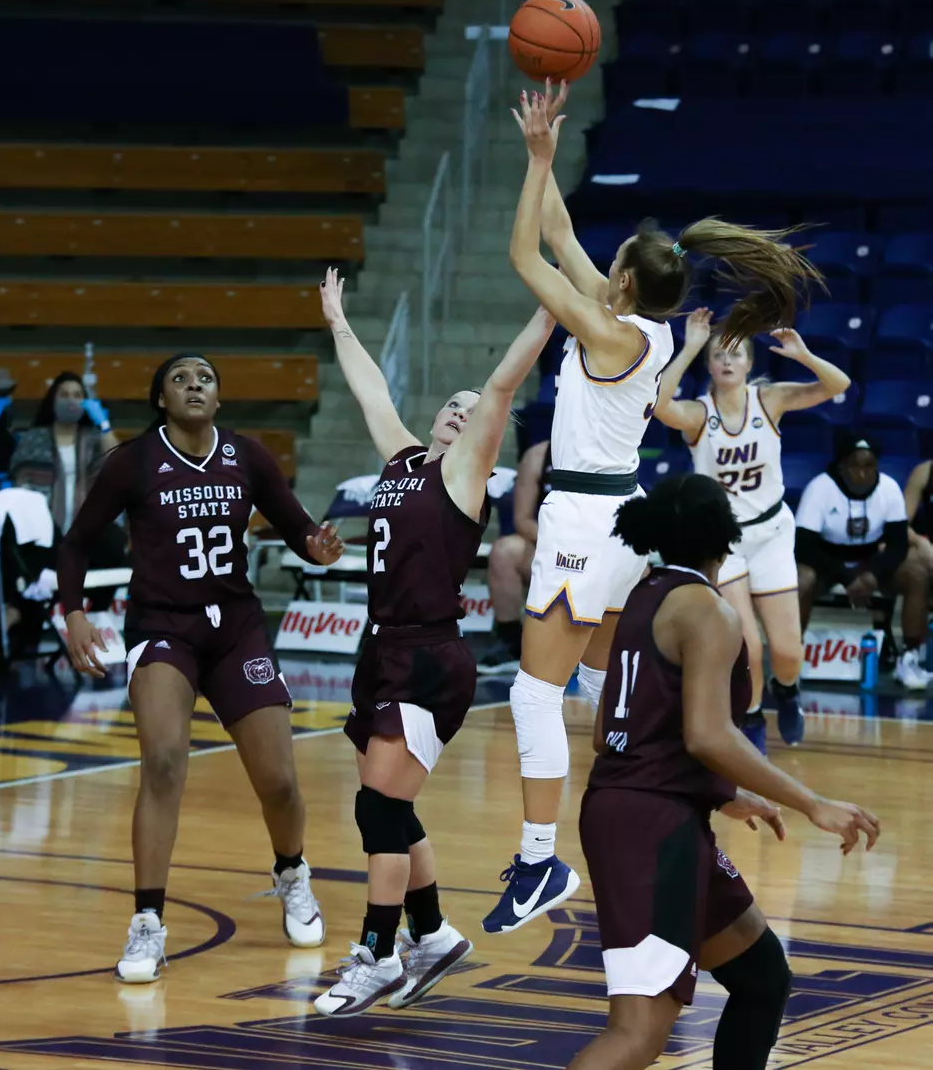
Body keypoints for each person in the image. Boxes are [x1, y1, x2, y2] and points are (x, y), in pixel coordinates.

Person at [485, 80, 826, 936]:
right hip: (621, 520)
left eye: (613, 271)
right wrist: (544, 157)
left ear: (625, 284)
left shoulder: (608, 330)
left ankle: (537, 862)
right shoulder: (654, 325)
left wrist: (533, 165)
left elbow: (527, 258)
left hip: (583, 522)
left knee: (535, 696)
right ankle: (672, 801)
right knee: (605, 682)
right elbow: (558, 235)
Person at [569, 472, 879, 1070]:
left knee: (761, 975)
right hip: (653, 826)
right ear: (725, 535)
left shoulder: (644, 591)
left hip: (647, 806)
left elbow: (619, 716)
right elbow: (708, 734)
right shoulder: (710, 611)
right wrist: (813, 803)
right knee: (638, 1032)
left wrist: (721, 791)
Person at [311, 271, 556, 1016]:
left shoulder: (465, 475)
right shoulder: (402, 460)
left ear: (483, 435)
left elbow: (503, 382)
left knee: (380, 812)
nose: (459, 413)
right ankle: (432, 933)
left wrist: (553, 309)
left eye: (470, 411)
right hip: (376, 648)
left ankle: (378, 954)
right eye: (451, 406)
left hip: (426, 656)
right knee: (387, 805)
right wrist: (337, 320)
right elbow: (371, 392)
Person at [57, 353, 344, 983]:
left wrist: (319, 548)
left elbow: (299, 529)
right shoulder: (132, 462)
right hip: (163, 629)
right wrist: (74, 612)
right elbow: (76, 541)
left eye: (205, 379)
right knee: (161, 762)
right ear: (160, 397)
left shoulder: (248, 456)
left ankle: (292, 872)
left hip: (237, 629)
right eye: (181, 378)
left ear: (219, 398)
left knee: (279, 783)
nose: (194, 385)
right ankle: (147, 924)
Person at [653, 309, 851, 751]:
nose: (726, 361)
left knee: (787, 653)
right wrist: (688, 346)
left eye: (735, 354)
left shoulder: (771, 400)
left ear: (748, 364)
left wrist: (804, 355)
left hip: (772, 534)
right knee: (748, 650)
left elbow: (839, 385)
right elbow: (658, 405)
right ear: (710, 365)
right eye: (718, 354)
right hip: (724, 543)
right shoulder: (697, 415)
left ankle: (789, 689)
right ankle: (752, 717)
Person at [795, 437, 930, 690]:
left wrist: (871, 576)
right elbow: (804, 547)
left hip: (871, 561)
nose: (862, 473)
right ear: (842, 466)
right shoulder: (820, 488)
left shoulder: (888, 488)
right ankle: (792, 656)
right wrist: (847, 578)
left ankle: (909, 657)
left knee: (917, 571)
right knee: (801, 578)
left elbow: (898, 545)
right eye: (855, 466)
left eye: (869, 466)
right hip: (827, 563)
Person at [8, 371, 118, 534]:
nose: (71, 400)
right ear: (53, 401)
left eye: (77, 395)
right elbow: (21, 480)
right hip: (41, 524)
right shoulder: (35, 438)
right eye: (64, 395)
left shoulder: (93, 439)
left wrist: (104, 425)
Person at [476, 438, 551, 674]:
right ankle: (510, 642)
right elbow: (523, 520)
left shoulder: (611, 450)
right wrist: (560, 544)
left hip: (597, 551)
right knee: (504, 551)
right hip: (552, 547)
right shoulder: (539, 455)